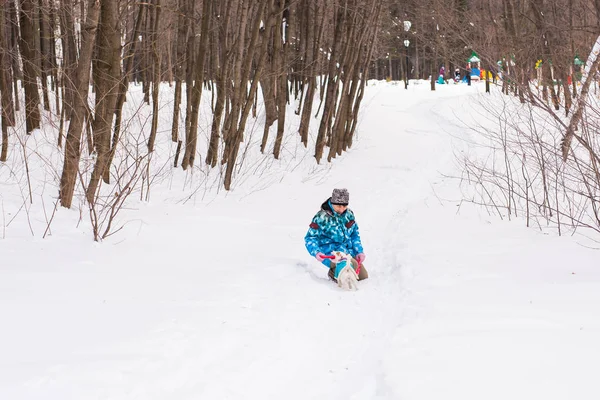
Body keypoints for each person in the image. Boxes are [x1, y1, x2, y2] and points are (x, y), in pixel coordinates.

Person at [304, 188, 368, 282]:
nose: (342, 209)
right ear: (332, 203)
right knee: (348, 270)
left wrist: (359, 251)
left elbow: (354, 234)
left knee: (362, 277)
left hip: (347, 250)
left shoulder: (349, 214)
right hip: (331, 252)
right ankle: (336, 271)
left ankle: (333, 272)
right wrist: (316, 252)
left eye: (344, 206)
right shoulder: (321, 217)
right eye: (338, 206)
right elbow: (310, 238)